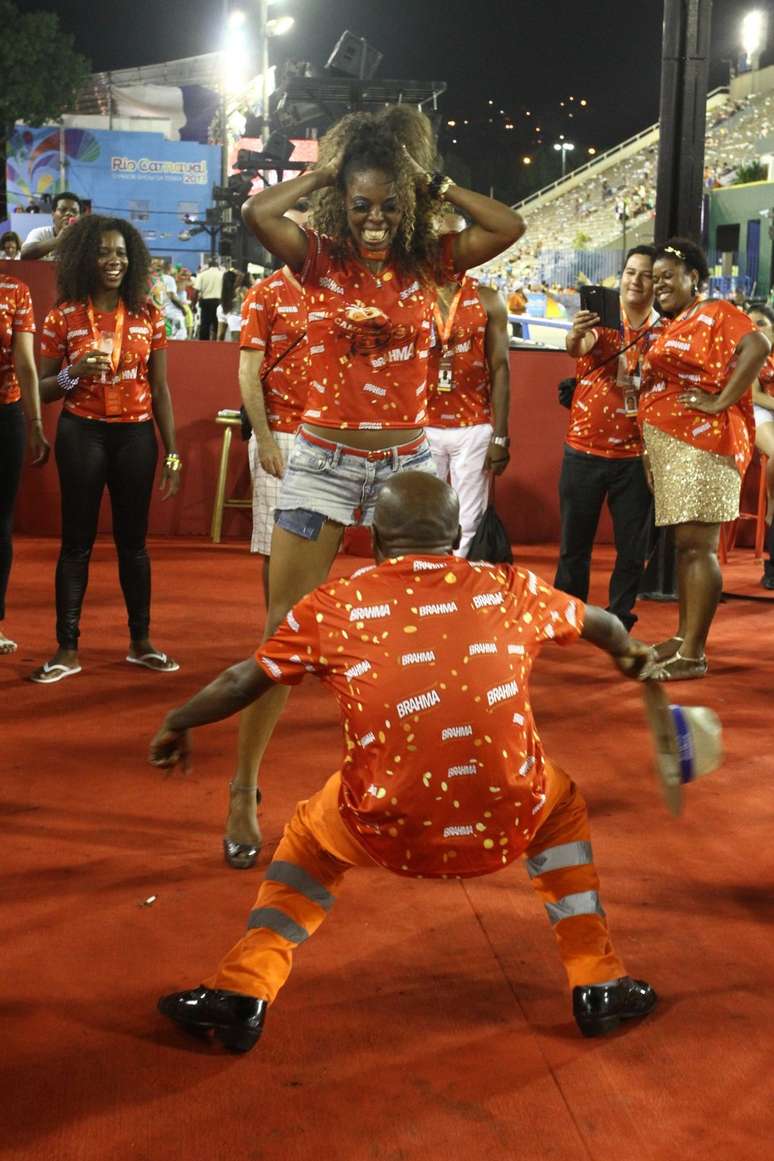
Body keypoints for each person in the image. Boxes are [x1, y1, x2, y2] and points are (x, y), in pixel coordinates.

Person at [151, 472, 658, 1054]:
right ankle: (598, 982)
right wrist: (628, 651)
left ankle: (243, 991)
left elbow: (246, 680)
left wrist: (179, 720)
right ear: (459, 532)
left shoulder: (333, 605)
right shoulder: (512, 588)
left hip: (385, 829)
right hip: (508, 823)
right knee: (559, 806)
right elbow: (604, 623)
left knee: (310, 841)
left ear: (372, 535)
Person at [222, 104, 525, 867]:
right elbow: (260, 210)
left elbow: (510, 226)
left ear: (411, 201)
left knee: (423, 639)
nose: (377, 221)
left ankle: (413, 786)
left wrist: (436, 185)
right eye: (362, 206)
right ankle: (241, 785)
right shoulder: (319, 259)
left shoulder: (435, 263)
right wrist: (327, 170)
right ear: (341, 205)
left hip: (409, 470)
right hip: (322, 461)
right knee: (285, 631)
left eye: (391, 206)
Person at [29, 215, 182, 684]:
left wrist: (172, 452)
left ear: (132, 259)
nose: (113, 261)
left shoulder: (148, 313)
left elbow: (160, 390)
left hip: (136, 437)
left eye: (120, 253)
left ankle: (141, 642)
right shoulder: (64, 315)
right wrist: (76, 371)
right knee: (76, 545)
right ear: (84, 259)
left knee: (133, 546)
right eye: (103, 253)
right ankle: (66, 649)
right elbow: (45, 388)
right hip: (83, 433)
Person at [641, 239, 770, 680]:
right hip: (673, 448)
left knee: (699, 547)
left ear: (693, 276)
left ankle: (694, 653)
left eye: (667, 277)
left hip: (705, 446)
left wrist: (719, 402)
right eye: (654, 279)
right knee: (686, 547)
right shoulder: (671, 324)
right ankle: (683, 637)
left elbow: (758, 348)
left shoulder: (716, 312)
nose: (659, 285)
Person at [554, 246, 660, 631]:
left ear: (656, 282)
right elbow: (576, 347)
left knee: (632, 551)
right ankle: (568, 615)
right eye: (630, 272)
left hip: (634, 457)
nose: (635, 280)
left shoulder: (663, 331)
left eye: (645, 274)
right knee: (573, 547)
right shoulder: (603, 321)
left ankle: (619, 620)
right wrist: (576, 334)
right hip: (583, 451)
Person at [425, 212, 511, 556]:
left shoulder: (488, 298)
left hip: (473, 425)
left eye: (456, 241)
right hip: (422, 425)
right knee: (425, 515)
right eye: (438, 242)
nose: (447, 251)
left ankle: (460, 589)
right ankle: (425, 586)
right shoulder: (411, 295)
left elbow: (500, 368)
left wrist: (500, 436)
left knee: (469, 519)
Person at [240, 204, 309, 608]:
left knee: (316, 542)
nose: (299, 242)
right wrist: (264, 439)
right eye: (292, 233)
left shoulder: (336, 289)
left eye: (306, 234)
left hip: (325, 436)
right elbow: (248, 374)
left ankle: (306, 627)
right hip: (279, 434)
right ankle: (277, 633)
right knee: (274, 543)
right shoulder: (264, 294)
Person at [0, 273, 50, 654]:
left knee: (0, 524)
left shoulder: (14, 291)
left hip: (5, 415)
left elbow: (25, 363)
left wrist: (35, 422)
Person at [747, 303, 774, 588]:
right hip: (760, 409)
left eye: (762, 323)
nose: (756, 328)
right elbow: (754, 396)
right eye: (750, 323)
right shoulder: (753, 352)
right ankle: (771, 504)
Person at [20, 191, 81, 261]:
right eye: (63, 210)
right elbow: (24, 255)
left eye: (74, 211)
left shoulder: (84, 238)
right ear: (53, 214)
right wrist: (58, 240)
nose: (69, 213)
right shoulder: (40, 233)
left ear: (80, 217)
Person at [194, 256, 223, 340]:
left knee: (205, 324)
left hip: (205, 301)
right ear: (218, 265)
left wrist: (193, 305)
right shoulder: (222, 274)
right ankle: (217, 342)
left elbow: (196, 291)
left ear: (208, 265)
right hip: (218, 302)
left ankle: (203, 343)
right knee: (217, 323)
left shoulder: (202, 274)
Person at [160, 260, 187, 340]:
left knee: (168, 336)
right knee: (181, 335)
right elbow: (171, 296)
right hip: (174, 313)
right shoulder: (169, 279)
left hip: (163, 311)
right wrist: (182, 308)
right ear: (169, 268)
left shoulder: (158, 279)